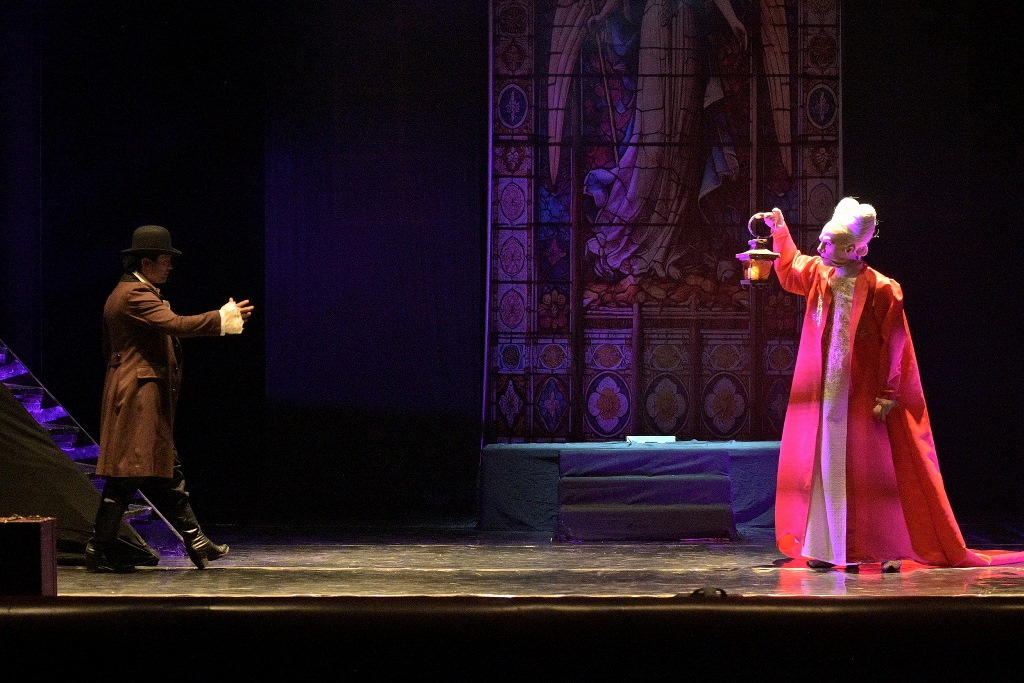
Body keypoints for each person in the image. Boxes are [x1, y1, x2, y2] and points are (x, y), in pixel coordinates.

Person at [760, 199, 1024, 571]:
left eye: (827, 243)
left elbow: (896, 344)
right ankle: (825, 547)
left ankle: (872, 548)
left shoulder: (882, 288)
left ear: (854, 249)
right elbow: (790, 268)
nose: (819, 248)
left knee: (868, 471)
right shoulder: (820, 272)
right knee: (824, 465)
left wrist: (887, 393)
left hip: (862, 393)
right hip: (825, 391)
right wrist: (779, 232)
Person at [85, 224, 254, 572]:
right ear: (146, 262)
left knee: (161, 466)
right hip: (138, 396)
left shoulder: (133, 291)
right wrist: (221, 319)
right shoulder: (135, 294)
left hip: (139, 393)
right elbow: (175, 324)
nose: (170, 266)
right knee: (129, 473)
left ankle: (195, 540)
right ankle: (99, 548)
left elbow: (110, 349)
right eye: (165, 260)